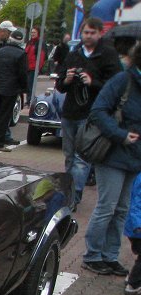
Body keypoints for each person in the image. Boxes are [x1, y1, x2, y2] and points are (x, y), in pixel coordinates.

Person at [81, 42, 141, 277]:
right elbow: (98, 111)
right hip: (113, 154)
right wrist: (121, 135)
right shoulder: (123, 80)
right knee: (107, 206)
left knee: (122, 209)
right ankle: (92, 255)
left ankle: (110, 256)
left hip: (135, 157)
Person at [55, 17, 121, 211]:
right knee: (69, 155)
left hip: (91, 114)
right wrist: (66, 80)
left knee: (82, 158)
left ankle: (73, 197)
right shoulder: (74, 54)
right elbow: (60, 85)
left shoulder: (107, 55)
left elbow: (115, 86)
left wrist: (93, 83)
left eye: (92, 33)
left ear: (100, 33)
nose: (88, 36)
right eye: (85, 32)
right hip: (70, 111)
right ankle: (70, 191)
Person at [0, 24, 26, 150]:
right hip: (9, 89)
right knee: (4, 116)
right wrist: (24, 89)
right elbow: (22, 74)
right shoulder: (21, 54)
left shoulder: (1, 51)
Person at [125, 175, 141, 294]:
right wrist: (137, 224)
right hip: (137, 228)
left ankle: (132, 278)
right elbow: (136, 202)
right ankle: (133, 284)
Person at [25, 27, 43, 104]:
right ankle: (29, 99)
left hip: (33, 67)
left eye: (34, 32)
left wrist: (38, 67)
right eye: (32, 32)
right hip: (27, 66)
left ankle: (30, 100)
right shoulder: (29, 42)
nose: (32, 34)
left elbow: (41, 56)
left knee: (30, 84)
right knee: (27, 84)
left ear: (38, 33)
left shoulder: (40, 43)